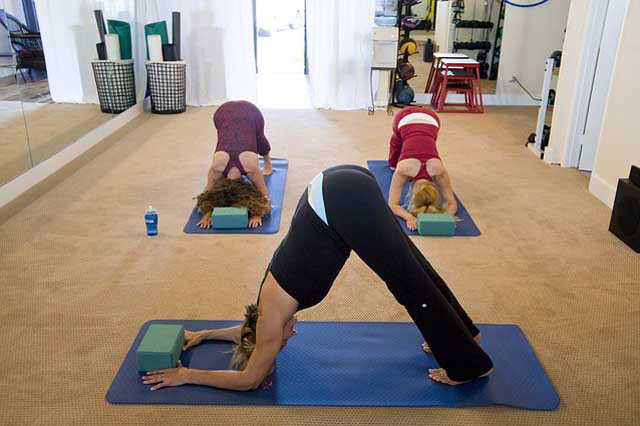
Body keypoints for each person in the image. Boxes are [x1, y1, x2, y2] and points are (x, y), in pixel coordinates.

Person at [142, 165, 493, 391]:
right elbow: (247, 331)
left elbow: (249, 379)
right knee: (412, 265)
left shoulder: (272, 316)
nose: (289, 338)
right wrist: (203, 335)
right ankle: (465, 332)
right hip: (337, 186)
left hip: (341, 200)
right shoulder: (267, 310)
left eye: (280, 344)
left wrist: (186, 375)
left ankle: (467, 366)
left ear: (267, 337)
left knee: (407, 283)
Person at [197, 100, 273, 229]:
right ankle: (267, 164)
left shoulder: (250, 168)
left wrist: (257, 212)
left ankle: (268, 164)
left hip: (246, 113)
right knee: (231, 133)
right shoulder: (217, 168)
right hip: (223, 113)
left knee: (259, 138)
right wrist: (207, 214)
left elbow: (266, 198)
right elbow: (207, 196)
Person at [387, 107, 458, 231]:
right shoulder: (404, 170)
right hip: (410, 117)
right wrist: (409, 217)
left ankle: (394, 160)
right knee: (396, 144)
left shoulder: (438, 170)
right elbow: (392, 205)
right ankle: (392, 162)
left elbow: (393, 205)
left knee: (417, 139)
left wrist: (409, 217)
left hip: (431, 119)